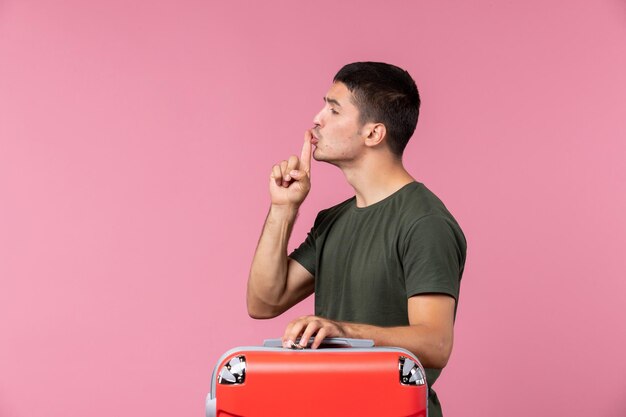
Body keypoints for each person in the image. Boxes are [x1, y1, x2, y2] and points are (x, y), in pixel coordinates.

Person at [246, 61, 467, 417]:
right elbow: (264, 302)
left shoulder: (424, 222)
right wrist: (283, 209)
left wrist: (341, 332)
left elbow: (435, 343)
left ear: (374, 134)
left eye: (333, 110)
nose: (317, 119)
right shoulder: (333, 220)